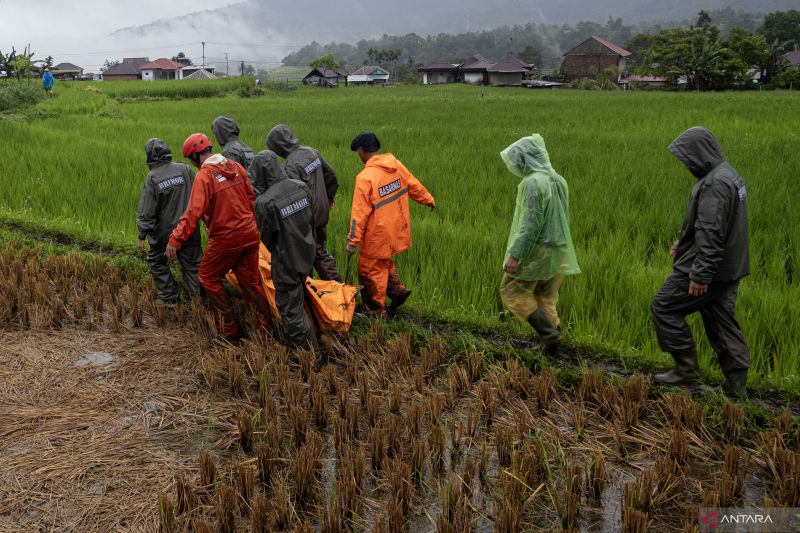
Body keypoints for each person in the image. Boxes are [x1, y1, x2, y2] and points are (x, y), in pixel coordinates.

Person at [652, 126, 750, 399]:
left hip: (709, 267)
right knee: (720, 318)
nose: (686, 163)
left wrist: (701, 274)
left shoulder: (714, 184)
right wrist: (685, 241)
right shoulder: (729, 174)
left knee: (664, 306)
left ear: (699, 153)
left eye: (687, 156)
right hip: (729, 267)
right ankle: (736, 385)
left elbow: (711, 229)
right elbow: (719, 224)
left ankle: (686, 369)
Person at [166, 133, 271, 340]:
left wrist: (175, 239)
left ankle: (228, 328)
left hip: (226, 238)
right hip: (250, 234)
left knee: (208, 277)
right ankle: (266, 329)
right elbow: (252, 199)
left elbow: (193, 212)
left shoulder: (204, 176)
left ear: (195, 157)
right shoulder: (236, 167)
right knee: (250, 282)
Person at [499, 134, 580, 355]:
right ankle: (554, 340)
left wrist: (516, 254)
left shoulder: (532, 183)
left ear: (525, 158)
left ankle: (549, 334)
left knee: (511, 290)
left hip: (538, 250)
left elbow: (531, 224)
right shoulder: (558, 179)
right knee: (546, 295)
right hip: (559, 249)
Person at [346, 132, 435, 316]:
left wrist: (352, 241)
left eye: (358, 152)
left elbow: (358, 214)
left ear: (361, 150)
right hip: (396, 230)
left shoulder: (365, 177)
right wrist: (428, 199)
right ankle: (397, 291)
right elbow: (413, 184)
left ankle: (374, 311)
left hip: (377, 235)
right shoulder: (396, 165)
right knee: (384, 261)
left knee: (368, 270)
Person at [252, 154, 319, 352]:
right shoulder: (300, 186)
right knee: (301, 296)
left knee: (290, 308)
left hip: (286, 260)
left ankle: (309, 353)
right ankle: (315, 334)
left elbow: (267, 238)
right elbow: (311, 219)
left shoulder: (264, 202)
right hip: (307, 251)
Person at [267, 124, 342, 282]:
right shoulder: (311, 152)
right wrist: (329, 197)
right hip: (322, 210)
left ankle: (337, 288)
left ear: (278, 146)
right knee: (320, 250)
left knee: (311, 255)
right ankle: (329, 289)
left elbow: (293, 198)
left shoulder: (289, 166)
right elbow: (331, 175)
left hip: (308, 217)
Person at [136, 138, 202, 303]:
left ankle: (169, 295)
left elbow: (147, 209)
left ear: (149, 157)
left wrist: (142, 235)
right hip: (189, 231)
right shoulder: (185, 169)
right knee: (193, 266)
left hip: (164, 236)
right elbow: (201, 195)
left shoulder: (152, 177)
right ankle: (198, 300)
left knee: (156, 261)